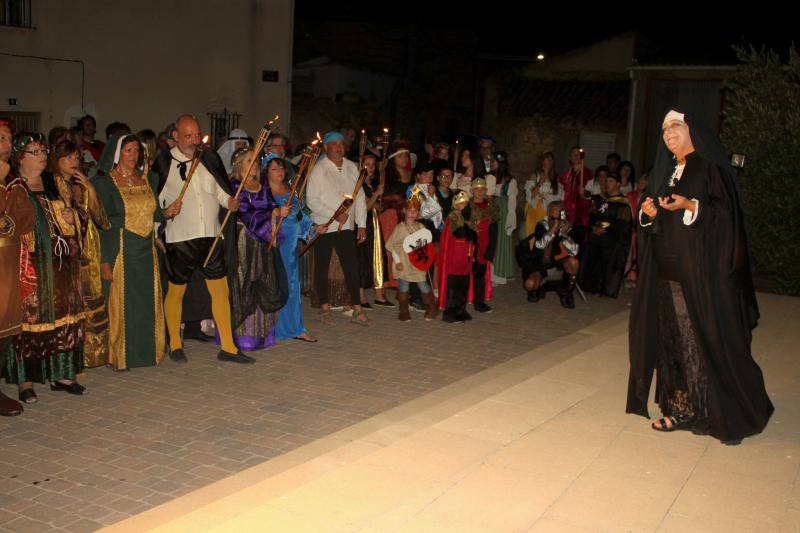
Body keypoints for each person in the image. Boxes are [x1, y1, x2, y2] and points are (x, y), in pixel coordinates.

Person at [626, 109, 773, 445]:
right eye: (664, 128)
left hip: (702, 277)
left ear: (692, 129)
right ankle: (680, 408)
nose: (668, 133)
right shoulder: (665, 173)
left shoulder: (710, 169)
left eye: (675, 126)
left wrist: (691, 206)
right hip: (667, 275)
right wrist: (648, 215)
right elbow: (655, 223)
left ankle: (719, 412)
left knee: (703, 341)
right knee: (674, 343)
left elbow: (727, 217)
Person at [152, 114, 253, 364]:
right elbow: (153, 201)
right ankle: (175, 343)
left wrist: (228, 201)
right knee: (176, 291)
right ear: (175, 136)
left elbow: (219, 190)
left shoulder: (209, 157)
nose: (194, 140)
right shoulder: (164, 162)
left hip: (211, 234)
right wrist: (158, 224)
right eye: (188, 136)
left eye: (197, 135)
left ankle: (228, 346)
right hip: (180, 237)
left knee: (220, 290)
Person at [5, 133, 91, 402]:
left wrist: (74, 216)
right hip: (30, 266)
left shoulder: (57, 183)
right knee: (30, 322)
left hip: (62, 264)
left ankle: (63, 374)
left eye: (43, 151)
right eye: (35, 152)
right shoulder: (11, 186)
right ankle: (25, 381)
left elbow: (82, 213)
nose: (42, 156)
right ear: (20, 157)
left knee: (64, 318)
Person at [96, 134, 173, 370]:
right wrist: (104, 260)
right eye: (128, 150)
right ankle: (120, 356)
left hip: (146, 253)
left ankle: (148, 353)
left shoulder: (147, 179)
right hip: (121, 250)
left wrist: (168, 212)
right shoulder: (105, 183)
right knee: (122, 305)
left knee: (146, 303)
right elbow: (101, 225)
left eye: (136, 150)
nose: (133, 155)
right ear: (117, 153)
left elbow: (154, 214)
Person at [49, 140, 111, 368]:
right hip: (65, 253)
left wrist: (91, 190)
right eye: (69, 158)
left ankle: (93, 355)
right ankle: (71, 357)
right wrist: (75, 216)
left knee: (91, 300)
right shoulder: (51, 185)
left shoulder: (82, 184)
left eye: (76, 157)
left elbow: (102, 220)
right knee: (71, 303)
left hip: (88, 249)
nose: (74, 162)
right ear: (57, 160)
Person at [305, 131, 370, 326]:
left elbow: (359, 197)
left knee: (351, 267)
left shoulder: (351, 167)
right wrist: (334, 214)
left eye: (341, 144)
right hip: (325, 225)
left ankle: (357, 309)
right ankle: (324, 307)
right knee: (322, 267)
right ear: (326, 147)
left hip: (347, 227)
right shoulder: (318, 169)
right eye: (334, 144)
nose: (338, 147)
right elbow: (311, 200)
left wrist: (362, 224)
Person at [228, 149, 288, 350]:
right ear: (240, 165)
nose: (254, 165)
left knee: (263, 281)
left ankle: (261, 334)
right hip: (244, 240)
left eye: (255, 162)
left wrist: (277, 212)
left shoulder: (262, 184)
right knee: (244, 283)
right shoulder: (235, 186)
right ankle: (242, 336)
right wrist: (274, 214)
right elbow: (247, 214)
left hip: (263, 240)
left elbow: (270, 205)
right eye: (249, 161)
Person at [0, 120, 35, 416]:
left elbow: (27, 217)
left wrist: (8, 221)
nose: (7, 143)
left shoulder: (14, 180)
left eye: (9, 138)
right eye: (0, 137)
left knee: (6, 329)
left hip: (8, 262)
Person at [268, 154, 317, 343]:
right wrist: (276, 213)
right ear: (266, 173)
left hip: (290, 247)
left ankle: (296, 328)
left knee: (292, 286)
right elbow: (258, 217)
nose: (279, 172)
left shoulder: (291, 188)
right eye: (274, 169)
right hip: (274, 245)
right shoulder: (264, 193)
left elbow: (300, 216)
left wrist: (314, 228)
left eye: (281, 167)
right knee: (274, 286)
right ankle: (271, 328)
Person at [385, 192, 438, 321]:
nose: (412, 213)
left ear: (418, 212)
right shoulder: (400, 228)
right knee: (404, 285)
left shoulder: (421, 227)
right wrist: (397, 261)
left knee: (423, 284)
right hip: (404, 262)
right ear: (404, 211)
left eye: (415, 211)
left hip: (418, 262)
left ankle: (432, 307)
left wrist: (427, 258)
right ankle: (403, 310)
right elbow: (392, 246)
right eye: (410, 210)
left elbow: (426, 246)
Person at [516, 200, 579, 307]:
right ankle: (535, 290)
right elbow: (540, 245)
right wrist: (553, 229)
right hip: (540, 262)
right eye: (554, 210)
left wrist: (565, 235)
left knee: (573, 262)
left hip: (558, 261)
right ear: (549, 212)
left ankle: (567, 292)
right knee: (530, 284)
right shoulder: (541, 225)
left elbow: (574, 251)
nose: (557, 212)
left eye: (560, 210)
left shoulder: (568, 227)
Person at [579, 173, 631, 298]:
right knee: (592, 260)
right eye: (606, 181)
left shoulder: (623, 203)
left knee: (608, 262)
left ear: (618, 184)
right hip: (596, 234)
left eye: (610, 181)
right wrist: (594, 227)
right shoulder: (600, 199)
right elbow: (592, 215)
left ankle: (605, 289)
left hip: (611, 237)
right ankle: (589, 287)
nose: (607, 183)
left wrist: (606, 230)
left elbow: (623, 223)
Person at [356, 152, 393, 308]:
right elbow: (364, 209)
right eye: (367, 164)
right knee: (362, 260)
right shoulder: (359, 185)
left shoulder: (372, 184)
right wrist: (376, 194)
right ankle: (360, 297)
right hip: (363, 224)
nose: (370, 168)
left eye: (373, 165)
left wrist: (379, 199)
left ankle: (379, 296)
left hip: (374, 225)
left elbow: (377, 207)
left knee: (377, 257)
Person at [437, 191, 474, 323]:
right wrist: (468, 229)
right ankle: (450, 313)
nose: (465, 206)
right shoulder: (453, 217)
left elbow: (472, 236)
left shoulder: (465, 217)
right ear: (456, 205)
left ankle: (460, 310)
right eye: (462, 203)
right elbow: (459, 234)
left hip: (465, 258)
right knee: (454, 285)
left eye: (466, 204)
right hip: (455, 258)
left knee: (464, 284)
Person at [466, 178, 499, 313]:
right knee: (465, 273)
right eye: (477, 189)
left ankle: (479, 302)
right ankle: (461, 301)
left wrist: (491, 248)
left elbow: (494, 230)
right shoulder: (466, 206)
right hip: (469, 245)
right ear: (472, 191)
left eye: (482, 189)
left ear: (486, 190)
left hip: (484, 244)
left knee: (480, 274)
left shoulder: (490, 207)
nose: (480, 192)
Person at [490, 151, 517, 283]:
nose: (491, 163)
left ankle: (500, 273)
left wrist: (510, 219)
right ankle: (491, 273)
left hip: (502, 211)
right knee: (492, 240)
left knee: (501, 240)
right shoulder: (490, 177)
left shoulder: (510, 181)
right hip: (492, 210)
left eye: (494, 161)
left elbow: (512, 201)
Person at [524, 151, 560, 247]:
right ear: (542, 161)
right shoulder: (534, 176)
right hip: (535, 210)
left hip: (549, 212)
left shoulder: (555, 178)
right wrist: (540, 182)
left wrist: (547, 196)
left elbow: (558, 198)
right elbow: (530, 196)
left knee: (546, 238)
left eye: (551, 159)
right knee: (533, 237)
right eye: (547, 159)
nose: (550, 161)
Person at [559, 146, 593, 244]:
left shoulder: (588, 174)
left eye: (578, 154)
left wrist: (585, 193)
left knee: (579, 244)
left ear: (582, 157)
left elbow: (593, 195)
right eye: (574, 154)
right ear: (569, 157)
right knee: (566, 243)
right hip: (567, 216)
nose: (576, 156)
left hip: (581, 216)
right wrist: (562, 217)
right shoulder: (565, 175)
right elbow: (561, 199)